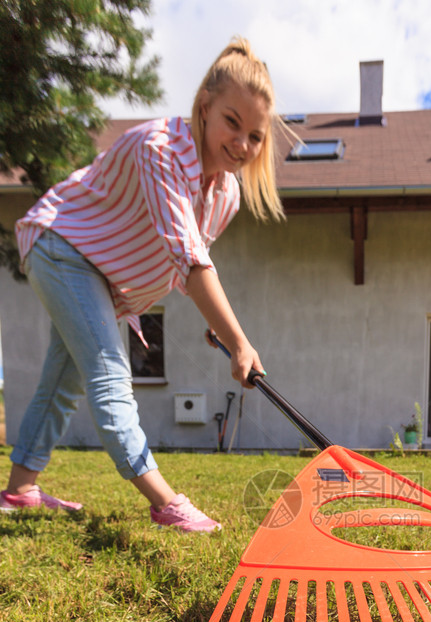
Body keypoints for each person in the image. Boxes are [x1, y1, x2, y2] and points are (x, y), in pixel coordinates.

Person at [0, 37, 283, 532]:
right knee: (109, 372)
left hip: (102, 278)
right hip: (63, 246)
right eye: (232, 123)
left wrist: (216, 325)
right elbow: (191, 262)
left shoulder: (228, 196)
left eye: (256, 136)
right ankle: (165, 502)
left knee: (62, 381)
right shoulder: (161, 149)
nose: (242, 145)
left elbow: (192, 258)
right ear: (204, 108)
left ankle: (20, 490)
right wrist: (239, 340)